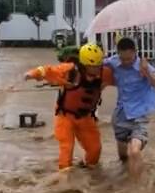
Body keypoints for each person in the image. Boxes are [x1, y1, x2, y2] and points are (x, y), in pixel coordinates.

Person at [24, 44, 114, 181]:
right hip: (65, 116)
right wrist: (32, 74)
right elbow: (48, 70)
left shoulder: (104, 73)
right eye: (93, 66)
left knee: (95, 149)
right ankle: (63, 182)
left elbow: (123, 79)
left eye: (98, 65)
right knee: (67, 148)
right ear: (84, 64)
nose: (96, 69)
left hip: (86, 118)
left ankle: (90, 174)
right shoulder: (70, 71)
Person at [104, 37, 155, 182]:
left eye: (129, 59)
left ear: (134, 53)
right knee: (123, 157)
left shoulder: (143, 66)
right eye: (123, 59)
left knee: (134, 152)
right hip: (121, 115)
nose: (126, 63)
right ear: (118, 54)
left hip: (139, 115)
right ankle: (125, 174)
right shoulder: (112, 62)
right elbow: (94, 67)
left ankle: (136, 186)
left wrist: (146, 72)